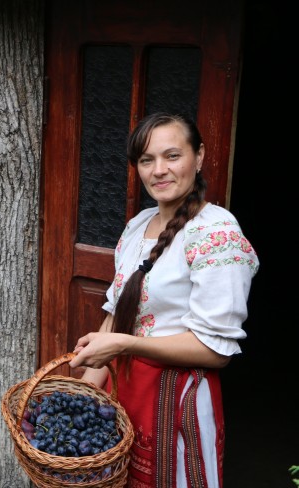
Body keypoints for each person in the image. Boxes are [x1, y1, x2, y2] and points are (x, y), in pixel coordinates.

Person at [68, 112, 259, 488]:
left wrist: (124, 344)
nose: (159, 170)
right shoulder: (138, 224)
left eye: (172, 156)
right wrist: (90, 389)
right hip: (122, 389)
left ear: (199, 157)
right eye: (146, 159)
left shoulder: (216, 234)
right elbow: (117, 310)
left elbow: (215, 349)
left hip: (174, 396)